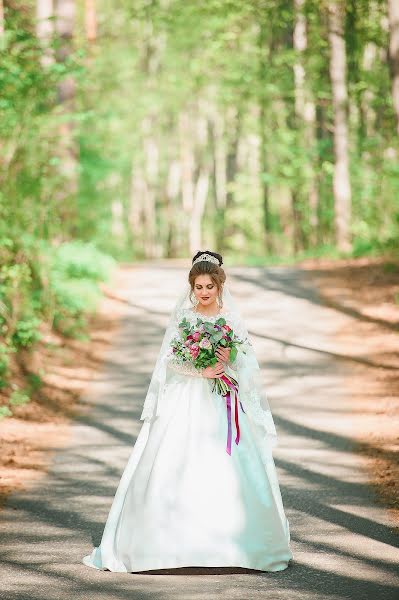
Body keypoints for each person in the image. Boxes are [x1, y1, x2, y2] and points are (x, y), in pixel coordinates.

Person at [82, 250, 293, 573]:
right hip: (187, 395)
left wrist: (227, 360)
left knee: (231, 464)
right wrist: (201, 370)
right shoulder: (184, 317)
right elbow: (171, 359)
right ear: (191, 288)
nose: (204, 292)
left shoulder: (231, 319)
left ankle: (237, 546)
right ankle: (165, 547)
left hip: (222, 397)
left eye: (210, 286)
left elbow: (245, 360)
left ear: (219, 285)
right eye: (198, 286)